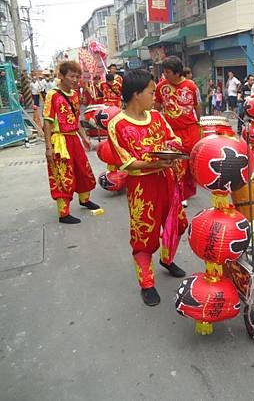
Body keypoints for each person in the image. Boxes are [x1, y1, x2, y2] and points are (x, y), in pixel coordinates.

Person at [108, 69, 187, 306]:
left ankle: (166, 258)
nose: (155, 96)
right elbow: (126, 162)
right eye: (151, 92)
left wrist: (169, 151)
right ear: (136, 94)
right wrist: (154, 160)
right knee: (144, 235)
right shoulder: (118, 125)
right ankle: (147, 283)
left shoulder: (157, 117)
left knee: (177, 223)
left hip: (167, 180)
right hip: (142, 186)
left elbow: (174, 139)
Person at [42, 61, 100, 224]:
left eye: (77, 76)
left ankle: (85, 199)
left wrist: (85, 138)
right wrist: (48, 148)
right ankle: (63, 212)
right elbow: (47, 122)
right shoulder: (52, 95)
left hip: (74, 137)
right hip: (59, 140)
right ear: (61, 76)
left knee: (83, 169)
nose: (75, 80)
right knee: (63, 174)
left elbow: (76, 119)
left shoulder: (74, 95)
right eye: (71, 76)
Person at [153, 56, 202, 204]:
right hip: (172, 131)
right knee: (177, 162)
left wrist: (200, 121)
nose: (165, 74)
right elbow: (157, 106)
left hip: (190, 128)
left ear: (177, 72)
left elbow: (197, 105)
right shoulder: (161, 87)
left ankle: (188, 188)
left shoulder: (191, 86)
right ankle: (180, 192)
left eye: (168, 72)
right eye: (164, 72)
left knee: (190, 161)